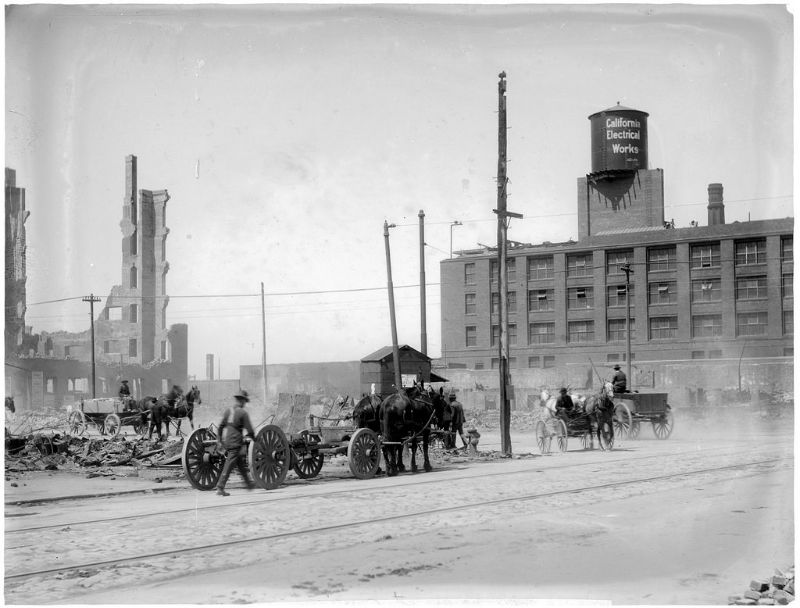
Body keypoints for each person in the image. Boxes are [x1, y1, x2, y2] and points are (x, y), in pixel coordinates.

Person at [215, 389, 256, 496]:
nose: (245, 404)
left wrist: (219, 440)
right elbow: (250, 430)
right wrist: (255, 439)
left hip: (227, 441)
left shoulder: (228, 411)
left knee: (240, 463)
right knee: (229, 464)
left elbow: (220, 427)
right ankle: (220, 486)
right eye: (244, 402)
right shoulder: (243, 413)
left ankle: (249, 484)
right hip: (236, 442)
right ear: (242, 401)